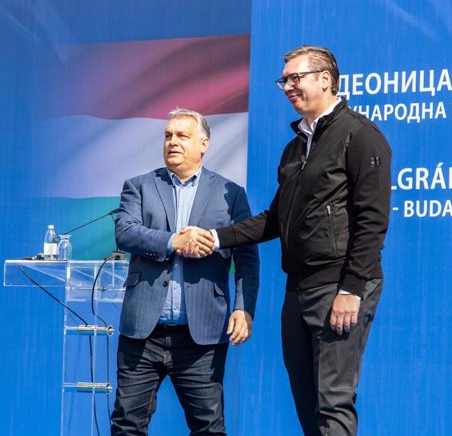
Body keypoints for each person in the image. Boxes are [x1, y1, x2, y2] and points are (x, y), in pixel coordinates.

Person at [211, 45, 391, 436]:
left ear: (325, 79)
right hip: (299, 288)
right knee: (306, 401)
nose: (288, 87)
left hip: (340, 285)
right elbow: (275, 220)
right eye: (284, 81)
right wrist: (214, 237)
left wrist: (352, 290)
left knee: (333, 400)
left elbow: (372, 220)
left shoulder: (360, 135)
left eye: (296, 78)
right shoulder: (295, 147)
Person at [110, 108, 259, 436]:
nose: (172, 142)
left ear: (204, 144)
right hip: (143, 333)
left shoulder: (229, 194)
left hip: (201, 335)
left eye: (182, 136)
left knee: (208, 428)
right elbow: (126, 232)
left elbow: (247, 257)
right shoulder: (139, 186)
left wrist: (243, 308)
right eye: (168, 136)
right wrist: (175, 240)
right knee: (126, 426)